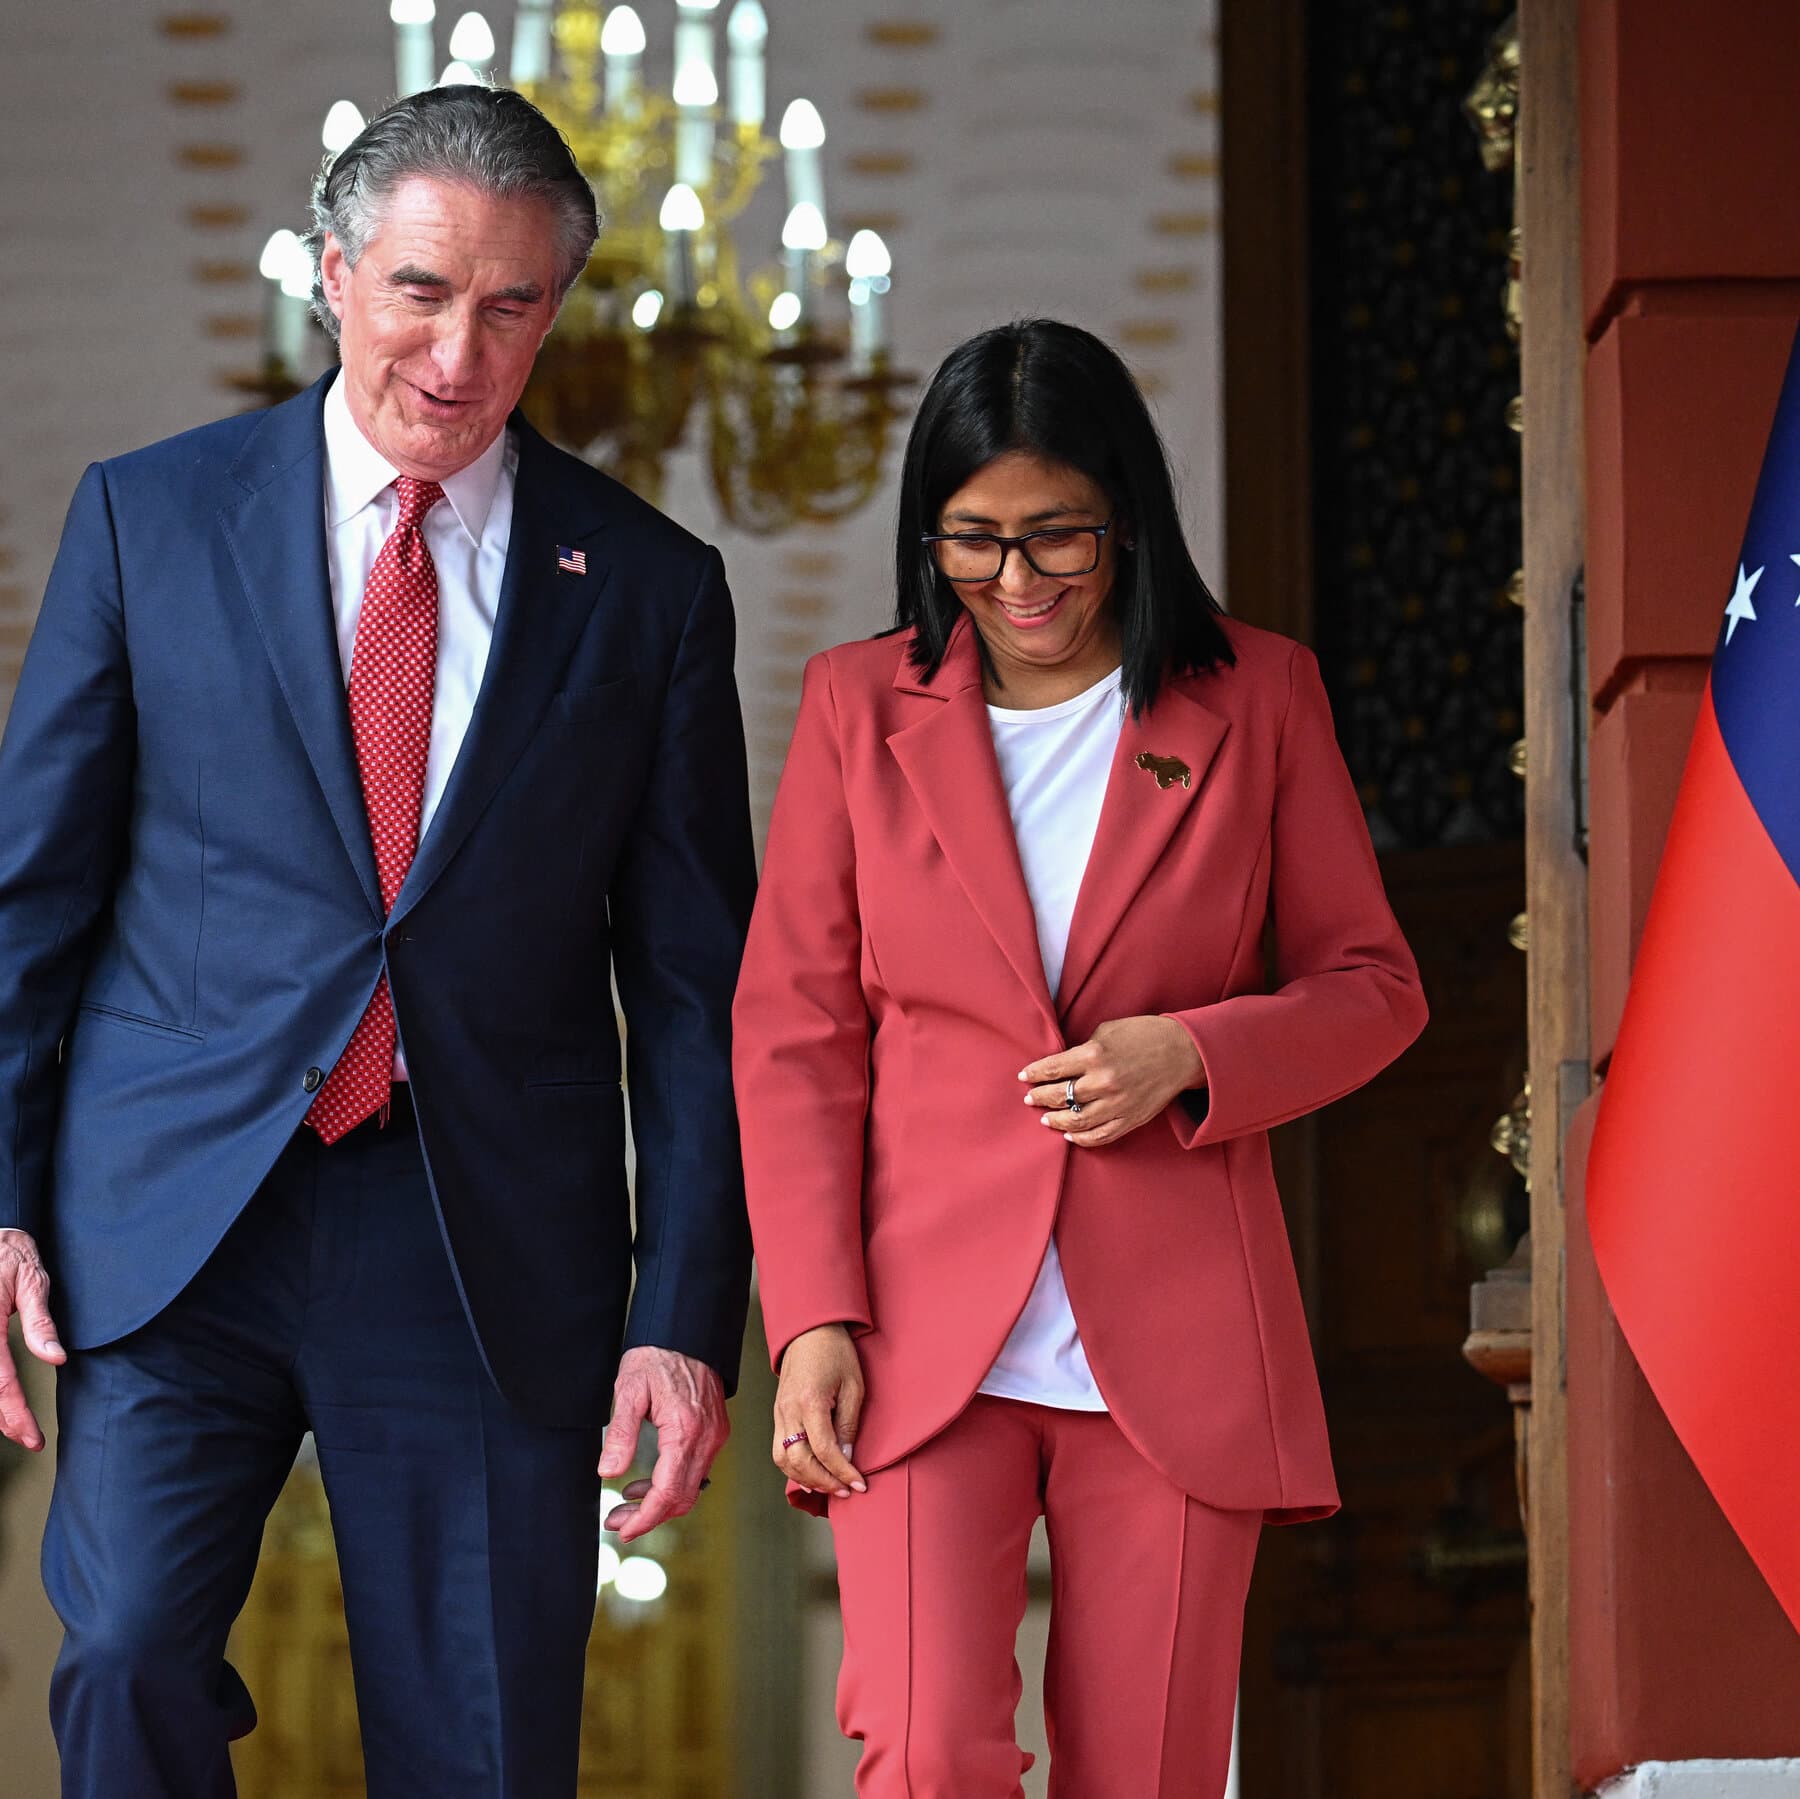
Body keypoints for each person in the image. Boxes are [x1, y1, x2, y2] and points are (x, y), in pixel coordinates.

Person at [0, 86, 755, 1797]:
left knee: (483, 1744)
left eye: (510, 306)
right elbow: (29, 902)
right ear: (331, 274)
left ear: (553, 313)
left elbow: (700, 997)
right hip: (180, 1214)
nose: (458, 350)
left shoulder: (648, 591)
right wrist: (1, 1196)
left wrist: (685, 1313)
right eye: (421, 290)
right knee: (121, 1662)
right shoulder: (148, 518)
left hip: (477, 1237)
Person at [733, 318, 1429, 1796]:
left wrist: (1192, 1050)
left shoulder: (1259, 695)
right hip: (919, 1334)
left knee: (1151, 1773)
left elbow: (1375, 989)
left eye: (1059, 538)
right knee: (923, 1752)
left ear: (1128, 517)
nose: (1019, 584)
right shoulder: (859, 709)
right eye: (975, 542)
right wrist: (808, 1318)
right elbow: (796, 1035)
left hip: (1172, 1328)